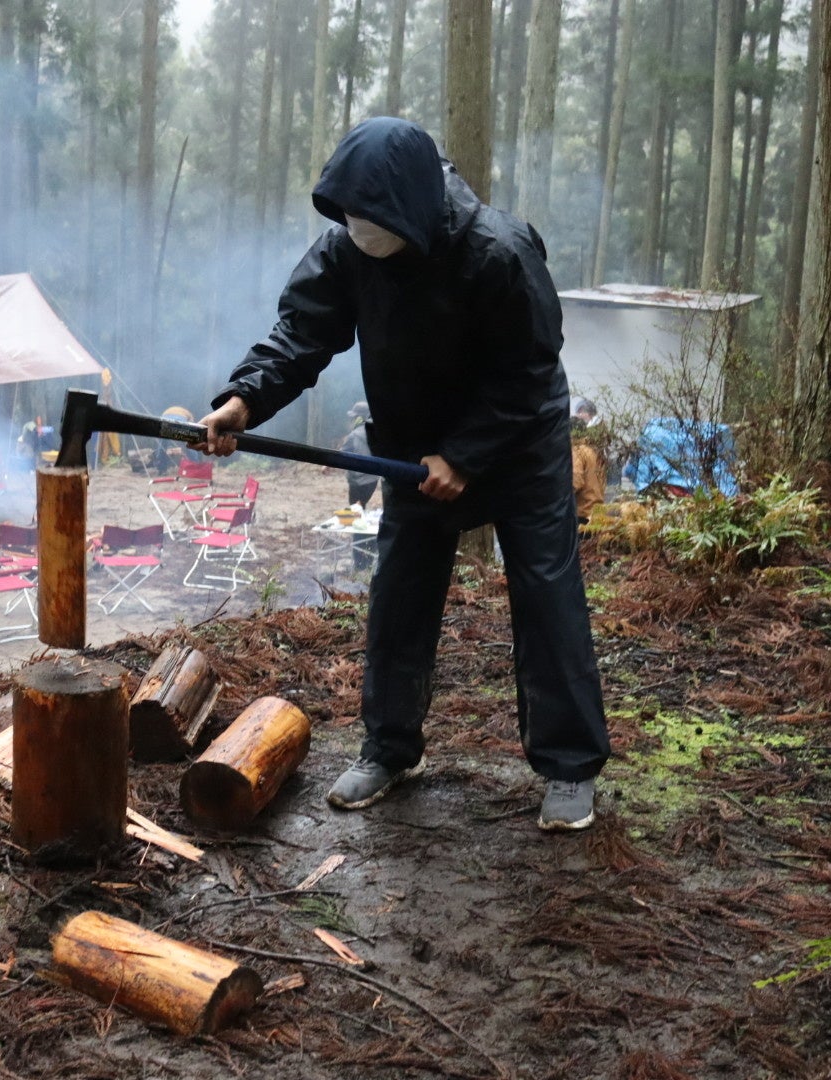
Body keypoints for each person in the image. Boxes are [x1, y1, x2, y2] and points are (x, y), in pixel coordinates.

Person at [197, 117, 610, 830]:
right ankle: (390, 748)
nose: (358, 232)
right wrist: (246, 398)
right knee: (401, 594)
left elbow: (530, 371)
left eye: (370, 220)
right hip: (412, 448)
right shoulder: (351, 246)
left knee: (546, 594)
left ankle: (569, 767)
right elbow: (302, 332)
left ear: (412, 208)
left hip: (518, 446)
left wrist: (467, 455)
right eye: (349, 219)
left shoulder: (499, 252)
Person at [339, 401, 379, 509]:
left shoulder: (355, 435)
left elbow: (341, 454)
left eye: (354, 417)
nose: (352, 420)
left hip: (358, 483)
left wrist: (326, 465)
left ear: (360, 418)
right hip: (373, 481)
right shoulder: (377, 433)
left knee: (355, 509)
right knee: (361, 508)